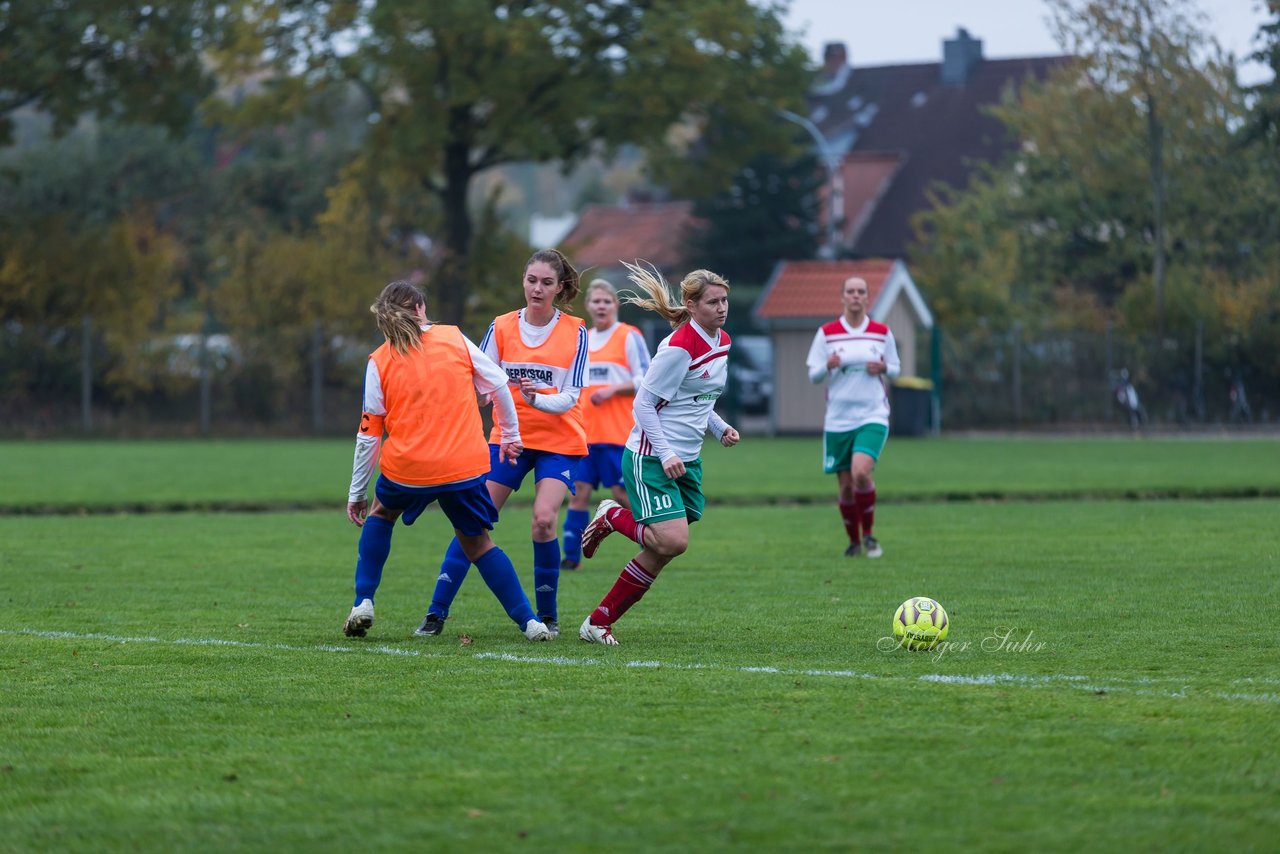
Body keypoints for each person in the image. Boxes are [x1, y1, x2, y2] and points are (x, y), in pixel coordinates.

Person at [342, 281, 552, 642]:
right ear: (421, 308)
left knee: (380, 514)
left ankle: (364, 602)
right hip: (463, 465)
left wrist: (356, 491)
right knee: (478, 543)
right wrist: (513, 436)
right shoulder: (454, 338)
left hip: (408, 468)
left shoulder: (379, 359)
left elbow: (368, 433)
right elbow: (500, 385)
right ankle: (531, 623)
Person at [418, 249, 589, 639]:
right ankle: (435, 613)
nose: (537, 289)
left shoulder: (576, 331)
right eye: (532, 280)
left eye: (547, 283)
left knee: (544, 520)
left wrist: (535, 400)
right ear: (523, 281)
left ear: (560, 287)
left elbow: (570, 397)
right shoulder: (500, 327)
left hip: (558, 440)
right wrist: (476, 394)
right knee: (472, 522)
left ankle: (547, 617)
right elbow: (479, 376)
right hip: (508, 439)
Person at [577, 263, 740, 645]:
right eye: (713, 301)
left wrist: (719, 428)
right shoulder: (680, 347)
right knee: (671, 540)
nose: (722, 308)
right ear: (691, 304)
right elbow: (644, 404)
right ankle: (613, 516)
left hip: (687, 459)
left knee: (661, 549)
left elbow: (698, 401)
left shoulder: (723, 341)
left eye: (725, 300)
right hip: (651, 457)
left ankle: (598, 622)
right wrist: (664, 453)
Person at [805, 275, 900, 559]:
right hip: (838, 420)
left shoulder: (881, 332)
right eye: (851, 291)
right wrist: (827, 365)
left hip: (873, 414)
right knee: (846, 486)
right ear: (843, 297)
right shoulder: (827, 333)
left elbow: (895, 368)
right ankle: (853, 541)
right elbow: (813, 374)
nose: (856, 296)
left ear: (867, 298)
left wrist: (883, 367)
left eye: (861, 291)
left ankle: (870, 536)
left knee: (861, 472)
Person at [559, 278, 651, 571]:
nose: (601, 306)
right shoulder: (581, 339)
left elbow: (647, 380)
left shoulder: (628, 335)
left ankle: (652, 545)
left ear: (616, 305)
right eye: (596, 301)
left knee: (623, 496)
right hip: (585, 435)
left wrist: (613, 390)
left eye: (606, 301)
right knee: (579, 494)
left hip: (619, 434)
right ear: (588, 306)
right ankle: (571, 558)